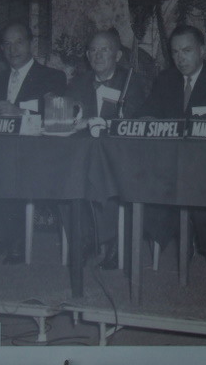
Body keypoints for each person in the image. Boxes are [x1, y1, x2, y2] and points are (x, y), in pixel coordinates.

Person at [0, 21, 67, 264]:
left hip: (36, 155)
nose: (13, 49)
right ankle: (0, 235)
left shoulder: (52, 78)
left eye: (19, 42)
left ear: (31, 44)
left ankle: (11, 239)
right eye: (7, 44)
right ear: (2, 49)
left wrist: (20, 113)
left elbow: (58, 121)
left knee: (8, 169)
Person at [139, 24, 206, 271]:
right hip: (170, 163)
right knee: (147, 188)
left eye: (187, 51)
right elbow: (148, 111)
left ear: (202, 50)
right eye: (175, 52)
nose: (180, 58)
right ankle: (178, 235)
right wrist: (147, 119)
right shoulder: (166, 79)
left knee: (202, 200)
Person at [64, 30, 145, 268]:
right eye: (93, 50)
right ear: (87, 55)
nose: (97, 55)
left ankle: (113, 240)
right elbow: (69, 117)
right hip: (85, 155)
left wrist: (99, 123)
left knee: (106, 174)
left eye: (104, 50)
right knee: (64, 176)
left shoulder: (131, 81)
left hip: (120, 155)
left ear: (117, 55)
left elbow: (133, 117)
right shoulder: (78, 82)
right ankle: (85, 238)